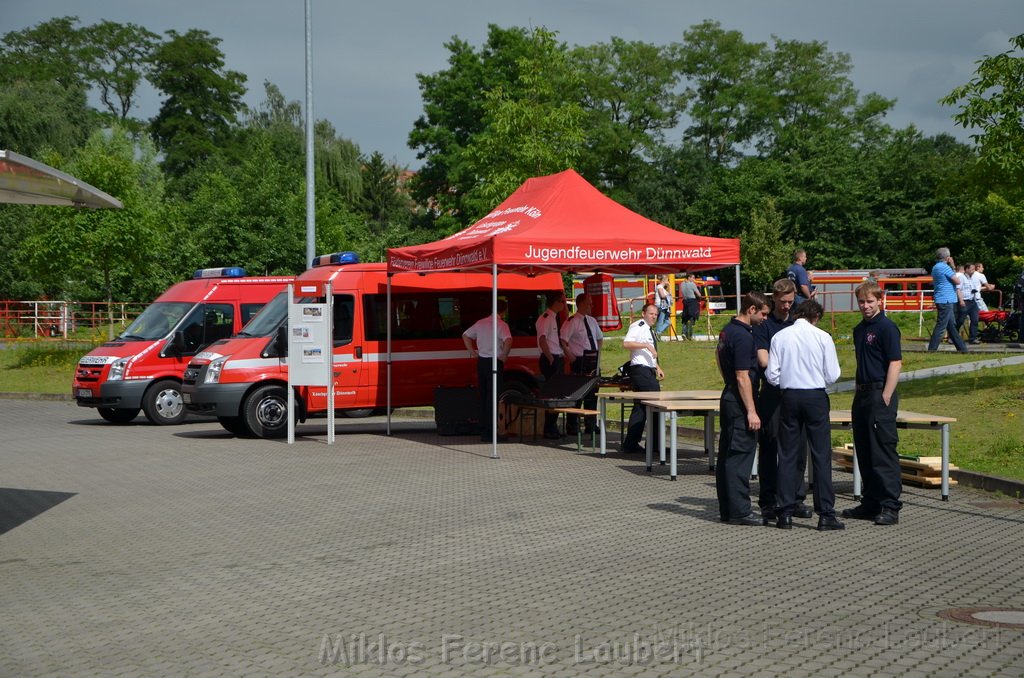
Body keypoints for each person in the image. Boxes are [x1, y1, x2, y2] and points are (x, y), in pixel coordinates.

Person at [766, 300, 843, 531]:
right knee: (820, 455)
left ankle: (785, 512)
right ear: (815, 317)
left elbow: (772, 374)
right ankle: (826, 513)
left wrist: (788, 381)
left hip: (790, 396)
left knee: (787, 454)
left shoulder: (780, 337)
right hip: (815, 396)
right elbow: (833, 374)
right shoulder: (822, 337)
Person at [843, 281, 903, 526]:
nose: (865, 306)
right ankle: (870, 503)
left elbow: (895, 362)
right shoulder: (859, 330)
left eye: (869, 301)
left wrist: (886, 394)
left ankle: (890, 505)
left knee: (882, 451)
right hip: (863, 394)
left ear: (880, 300)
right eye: (861, 302)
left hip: (880, 393)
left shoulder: (887, 328)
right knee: (865, 450)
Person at [753, 278, 812, 524]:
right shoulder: (766, 325)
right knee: (770, 446)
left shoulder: (800, 322)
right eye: (783, 302)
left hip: (797, 392)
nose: (787, 306)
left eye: (791, 301)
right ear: (774, 299)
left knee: (798, 447)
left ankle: (795, 498)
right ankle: (768, 501)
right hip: (773, 392)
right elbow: (765, 361)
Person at [715, 291, 770, 525]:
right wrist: (751, 410)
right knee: (740, 455)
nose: (765, 319)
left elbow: (718, 358)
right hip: (740, 400)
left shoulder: (727, 330)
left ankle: (728, 509)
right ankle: (740, 511)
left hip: (728, 395)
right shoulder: (745, 337)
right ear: (751, 310)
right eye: (763, 314)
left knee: (727, 455)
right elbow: (742, 376)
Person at [462, 299, 512, 443]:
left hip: (482, 362)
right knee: (493, 398)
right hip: (495, 362)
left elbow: (465, 335)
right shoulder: (501, 325)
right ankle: (492, 432)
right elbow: (508, 340)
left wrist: (472, 351)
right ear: (504, 311)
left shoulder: (480, 323)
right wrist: (504, 356)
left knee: (483, 397)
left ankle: (483, 430)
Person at [620, 303, 665, 454]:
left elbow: (648, 355)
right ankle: (654, 445)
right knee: (655, 404)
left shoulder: (647, 329)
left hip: (647, 370)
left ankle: (631, 442)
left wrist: (657, 367)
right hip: (641, 371)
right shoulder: (638, 326)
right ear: (643, 313)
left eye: (656, 315)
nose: (654, 317)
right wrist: (646, 345)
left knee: (641, 407)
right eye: (651, 314)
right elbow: (626, 343)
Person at [559, 293, 604, 434]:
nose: (592, 305)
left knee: (592, 394)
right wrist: (571, 357)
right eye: (589, 303)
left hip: (592, 361)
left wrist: (598, 354)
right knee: (578, 395)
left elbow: (599, 338)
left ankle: (590, 424)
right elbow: (563, 341)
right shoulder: (572, 321)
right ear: (582, 304)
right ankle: (572, 425)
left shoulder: (592, 321)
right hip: (579, 361)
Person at [535, 292, 566, 439]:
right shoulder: (546, 319)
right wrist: (550, 358)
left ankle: (552, 426)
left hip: (554, 356)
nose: (564, 304)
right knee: (553, 395)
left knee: (556, 394)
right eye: (562, 302)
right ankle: (549, 427)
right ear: (555, 302)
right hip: (551, 358)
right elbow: (542, 339)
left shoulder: (552, 318)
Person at [926, 247, 969, 353]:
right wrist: (953, 266)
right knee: (941, 325)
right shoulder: (945, 267)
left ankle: (962, 348)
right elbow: (957, 280)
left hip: (942, 298)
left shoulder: (936, 267)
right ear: (947, 257)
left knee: (951, 326)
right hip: (946, 299)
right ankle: (932, 349)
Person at [955, 262, 980, 344]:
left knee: (975, 320)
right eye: (972, 269)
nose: (973, 271)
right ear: (966, 269)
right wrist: (961, 300)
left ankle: (972, 338)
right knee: (960, 320)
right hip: (965, 301)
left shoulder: (971, 278)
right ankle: (953, 336)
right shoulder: (961, 277)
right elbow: (958, 289)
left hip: (972, 301)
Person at [678, 273, 701, 340]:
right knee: (692, 318)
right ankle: (689, 335)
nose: (694, 279)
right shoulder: (692, 284)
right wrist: (700, 297)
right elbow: (698, 294)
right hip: (692, 302)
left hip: (685, 301)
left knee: (685, 318)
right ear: (689, 278)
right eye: (693, 278)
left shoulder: (682, 284)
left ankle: (683, 332)